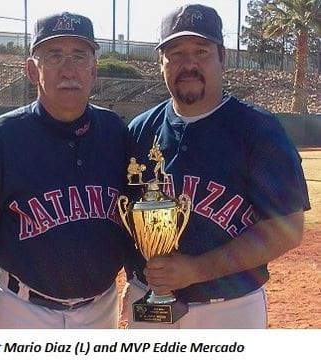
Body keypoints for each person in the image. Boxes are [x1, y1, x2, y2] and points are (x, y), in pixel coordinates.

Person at [122, 3, 310, 329]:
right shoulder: (139, 131)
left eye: (201, 51)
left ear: (222, 57)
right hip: (148, 302)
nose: (189, 64)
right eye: (176, 53)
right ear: (161, 62)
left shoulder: (259, 130)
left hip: (228, 309)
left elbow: (288, 229)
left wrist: (197, 269)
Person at [0, 11, 130, 329]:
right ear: (33, 70)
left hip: (101, 308)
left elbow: (137, 221)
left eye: (79, 56)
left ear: (93, 70)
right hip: (21, 310)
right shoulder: (3, 136)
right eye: (54, 55)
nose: (69, 69)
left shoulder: (116, 133)